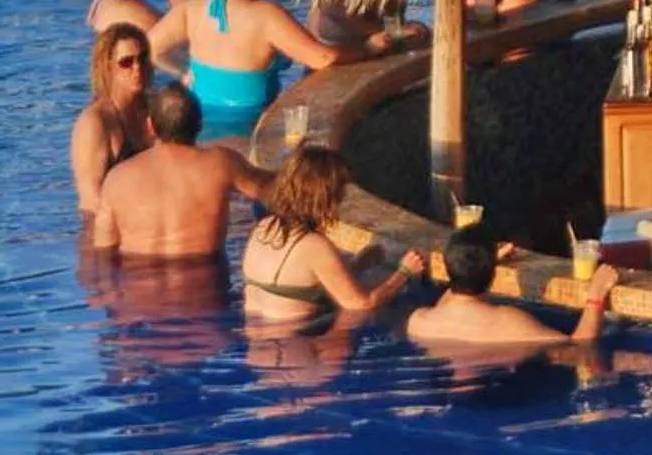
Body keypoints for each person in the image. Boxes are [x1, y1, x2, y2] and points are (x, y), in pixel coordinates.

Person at [242, 147, 425, 321]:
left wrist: (358, 265)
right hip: (301, 341)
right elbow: (362, 304)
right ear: (326, 196)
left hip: (258, 343)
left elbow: (302, 277)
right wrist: (405, 272)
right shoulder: (315, 246)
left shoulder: (263, 228)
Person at [94, 84, 273, 258]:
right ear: (199, 125)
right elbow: (272, 191)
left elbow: (103, 252)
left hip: (138, 283)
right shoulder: (221, 163)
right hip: (206, 281)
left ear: (150, 126)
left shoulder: (116, 179)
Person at [149, 0, 338, 126]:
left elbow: (150, 48)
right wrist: (364, 50)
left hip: (198, 119)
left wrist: (182, 70)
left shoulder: (195, 3)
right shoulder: (267, 16)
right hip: (249, 121)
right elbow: (323, 59)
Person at [408, 225, 617, 357]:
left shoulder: (419, 320)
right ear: (492, 274)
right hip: (496, 400)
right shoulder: (510, 322)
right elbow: (579, 345)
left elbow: (452, 297)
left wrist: (487, 261)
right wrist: (595, 295)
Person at [70, 23, 154, 215]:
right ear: (108, 67)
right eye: (126, 62)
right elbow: (91, 200)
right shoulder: (95, 123)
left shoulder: (156, 108)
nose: (137, 68)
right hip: (115, 226)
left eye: (142, 59)